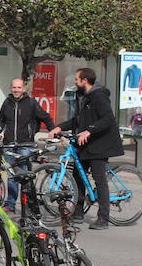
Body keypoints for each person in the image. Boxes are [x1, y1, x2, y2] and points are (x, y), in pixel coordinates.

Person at [50, 67, 121, 229]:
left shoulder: (99, 96)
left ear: (85, 80)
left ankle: (103, 218)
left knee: (99, 180)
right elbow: (78, 120)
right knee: (78, 178)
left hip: (99, 144)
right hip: (84, 144)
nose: (75, 82)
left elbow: (108, 119)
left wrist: (89, 130)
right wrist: (59, 127)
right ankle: (78, 212)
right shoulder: (84, 96)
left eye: (76, 79)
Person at [0, 78, 55, 209]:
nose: (16, 90)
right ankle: (11, 204)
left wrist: (53, 130)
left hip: (25, 144)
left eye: (19, 87)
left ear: (23, 88)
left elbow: (45, 117)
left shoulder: (31, 102)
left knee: (25, 175)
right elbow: (2, 120)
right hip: (9, 144)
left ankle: (29, 203)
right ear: (11, 88)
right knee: (12, 176)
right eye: (14, 88)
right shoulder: (7, 102)